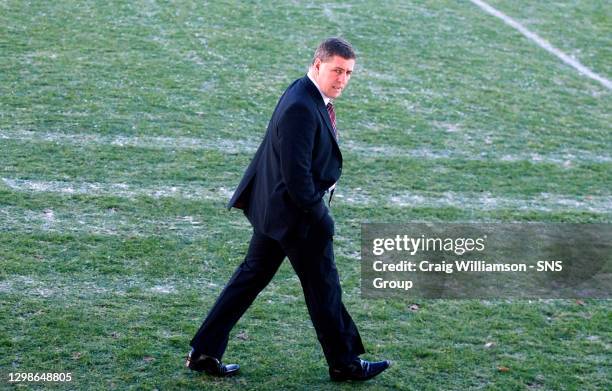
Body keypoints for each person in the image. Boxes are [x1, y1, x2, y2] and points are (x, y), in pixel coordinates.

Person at [185, 37, 390, 382]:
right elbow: (296, 177)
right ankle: (345, 363)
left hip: (274, 213)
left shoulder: (304, 93)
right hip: (295, 218)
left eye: (348, 73)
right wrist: (321, 217)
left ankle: (203, 351)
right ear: (317, 65)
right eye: (336, 70)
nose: (342, 79)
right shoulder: (301, 106)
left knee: (249, 279)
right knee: (324, 288)